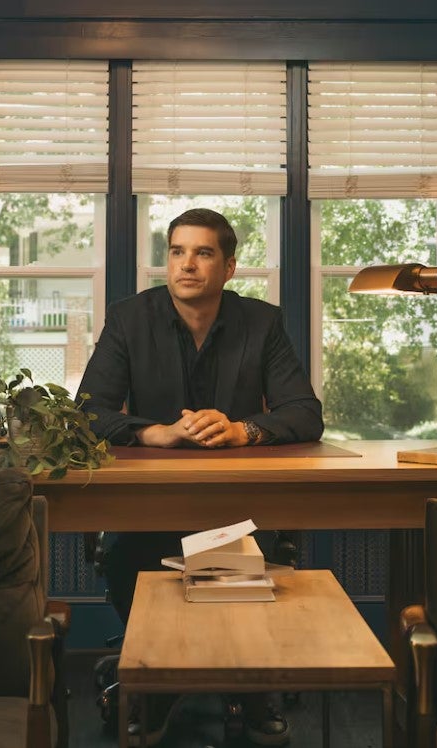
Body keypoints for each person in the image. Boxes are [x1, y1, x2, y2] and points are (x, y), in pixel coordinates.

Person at [77, 208, 323, 746]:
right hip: (148, 504)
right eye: (177, 251)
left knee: (258, 559)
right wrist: (151, 433)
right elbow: (88, 412)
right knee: (129, 557)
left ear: (229, 267)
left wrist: (245, 431)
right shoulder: (129, 318)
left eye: (203, 252)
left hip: (238, 507)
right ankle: (159, 680)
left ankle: (250, 680)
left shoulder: (262, 322)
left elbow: (305, 412)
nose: (187, 264)